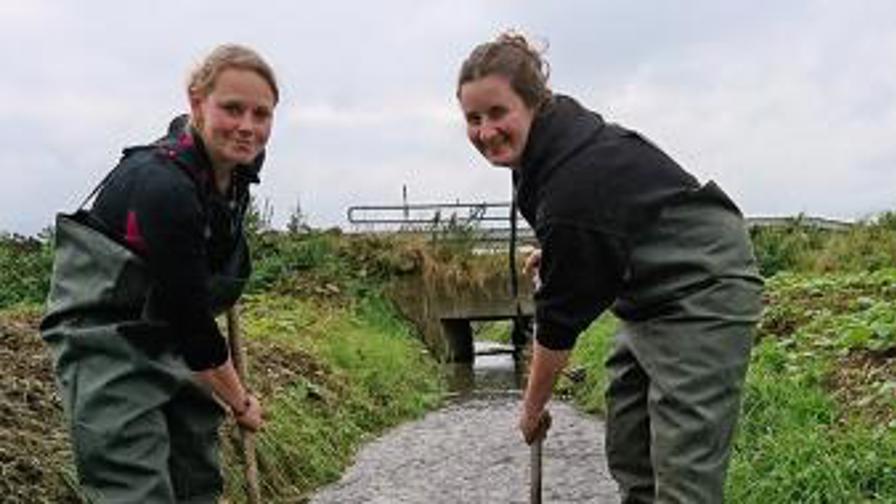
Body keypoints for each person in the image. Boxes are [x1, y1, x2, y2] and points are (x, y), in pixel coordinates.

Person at [456, 32, 763, 503]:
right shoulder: (546, 146)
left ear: (534, 103)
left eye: (498, 113)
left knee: (684, 477)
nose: (485, 131)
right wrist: (563, 252)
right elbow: (607, 217)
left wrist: (532, 408)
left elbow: (557, 330)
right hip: (644, 292)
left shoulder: (572, 180)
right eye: (473, 118)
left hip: (702, 287)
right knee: (630, 454)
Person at [40, 44, 278, 503]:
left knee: (197, 482)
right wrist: (241, 402)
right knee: (135, 490)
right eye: (232, 109)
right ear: (195, 102)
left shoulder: (236, 167)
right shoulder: (163, 186)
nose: (248, 127)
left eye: (261, 114)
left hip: (169, 336)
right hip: (106, 340)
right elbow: (193, 327)